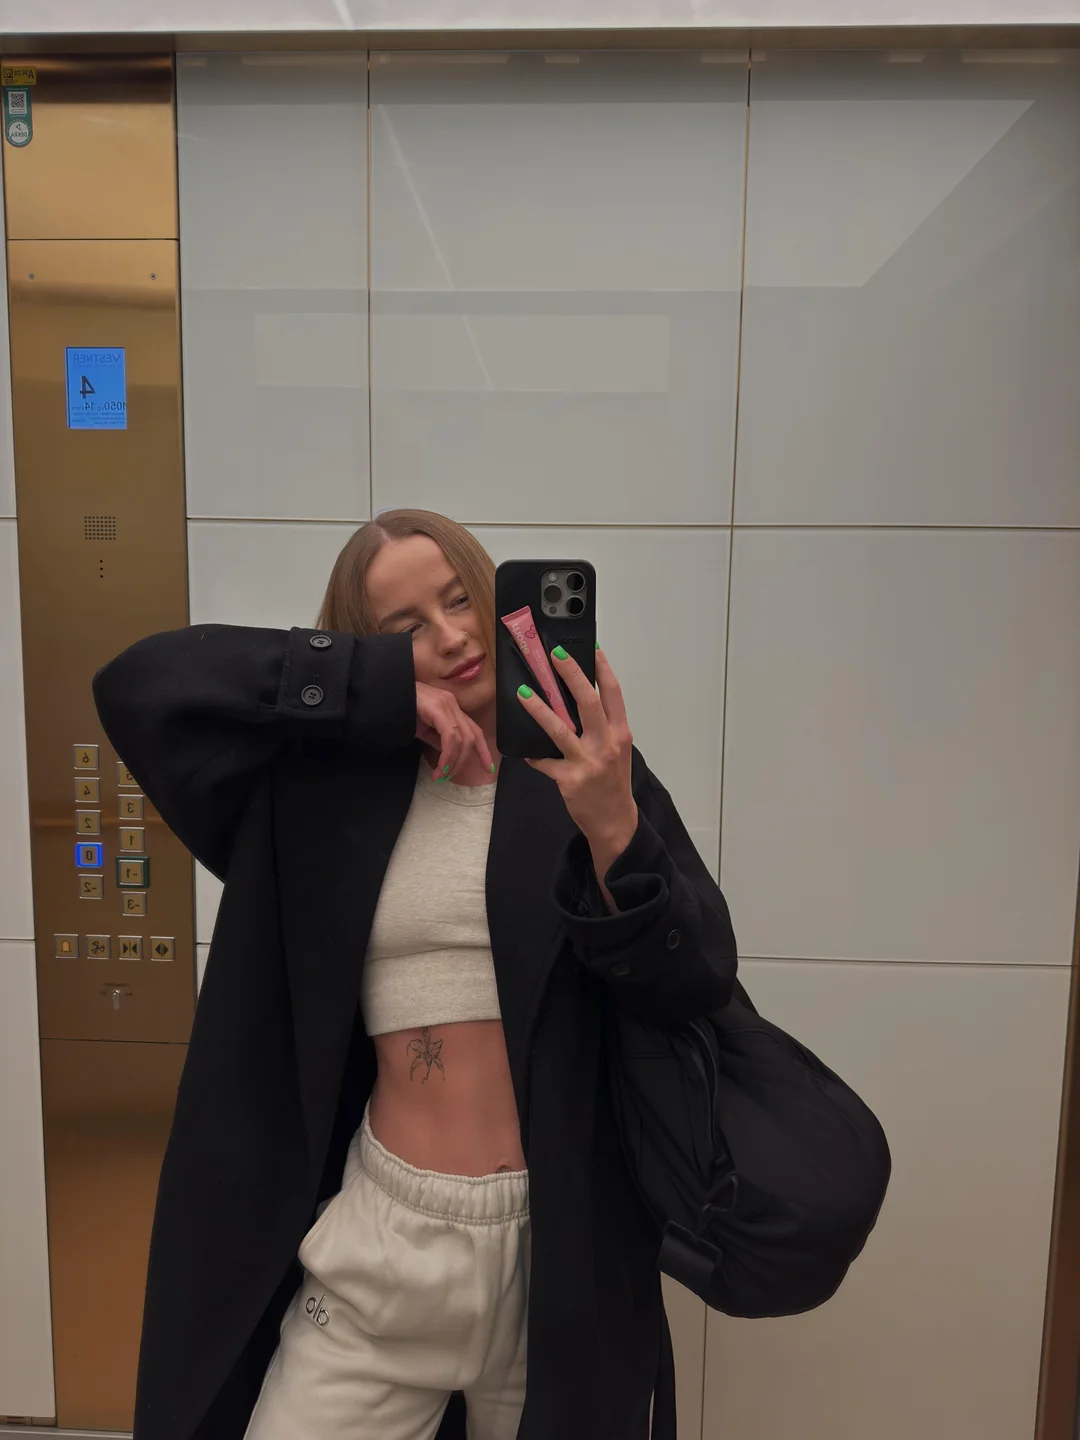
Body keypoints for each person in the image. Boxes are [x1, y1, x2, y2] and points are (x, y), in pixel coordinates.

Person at [92, 508, 739, 1440]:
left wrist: (614, 828)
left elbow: (699, 976)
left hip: (557, 1256)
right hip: (385, 1241)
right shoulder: (322, 794)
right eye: (406, 628)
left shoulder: (588, 777)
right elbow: (138, 687)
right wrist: (374, 691)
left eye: (460, 599)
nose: (452, 637)